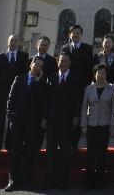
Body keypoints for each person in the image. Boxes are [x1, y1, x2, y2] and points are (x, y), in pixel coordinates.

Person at [5, 57, 49, 192]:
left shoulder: (43, 83)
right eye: (36, 64)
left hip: (33, 124)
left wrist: (37, 82)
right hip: (17, 122)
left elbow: (42, 101)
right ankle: (12, 181)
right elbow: (10, 100)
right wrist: (11, 116)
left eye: (41, 66)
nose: (38, 67)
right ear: (31, 64)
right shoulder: (19, 78)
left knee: (30, 153)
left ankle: (28, 180)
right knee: (15, 152)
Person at [45, 52, 83, 189]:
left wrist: (76, 116)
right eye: (61, 61)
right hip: (52, 120)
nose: (63, 63)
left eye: (66, 61)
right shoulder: (51, 78)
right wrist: (45, 118)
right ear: (57, 62)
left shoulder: (76, 77)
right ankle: (49, 180)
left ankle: (62, 181)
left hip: (68, 120)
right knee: (50, 150)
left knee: (64, 151)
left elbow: (79, 99)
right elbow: (46, 101)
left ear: (70, 63)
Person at [82, 62, 114, 189]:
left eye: (103, 73)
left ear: (106, 75)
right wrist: (83, 125)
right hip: (91, 125)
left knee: (102, 154)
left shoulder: (112, 88)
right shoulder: (88, 88)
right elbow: (84, 107)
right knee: (91, 154)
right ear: (94, 75)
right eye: (98, 73)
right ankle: (89, 181)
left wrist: (112, 125)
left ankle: (100, 181)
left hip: (105, 124)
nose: (100, 75)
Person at [0, 34, 29, 153]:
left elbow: (25, 76)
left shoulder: (24, 56)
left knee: (12, 119)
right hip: (2, 94)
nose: (13, 43)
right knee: (0, 119)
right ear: (8, 42)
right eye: (11, 40)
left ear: (18, 43)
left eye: (15, 41)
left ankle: (9, 144)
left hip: (17, 95)